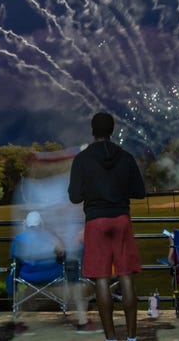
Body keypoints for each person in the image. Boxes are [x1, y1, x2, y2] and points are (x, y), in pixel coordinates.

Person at [68, 112, 145, 341]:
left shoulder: (81, 159)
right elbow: (139, 192)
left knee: (101, 279)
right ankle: (131, 337)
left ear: (93, 131)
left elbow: (74, 197)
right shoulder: (126, 157)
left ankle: (111, 338)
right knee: (126, 277)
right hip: (121, 219)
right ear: (112, 130)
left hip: (96, 221)